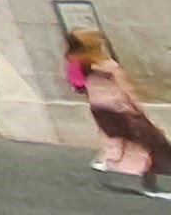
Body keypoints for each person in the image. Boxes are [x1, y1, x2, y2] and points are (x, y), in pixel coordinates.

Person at [67, 28, 171, 190]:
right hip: (120, 109)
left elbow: (78, 87)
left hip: (100, 110)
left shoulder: (78, 66)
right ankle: (145, 173)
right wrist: (140, 110)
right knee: (152, 140)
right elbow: (126, 90)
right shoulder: (109, 66)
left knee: (123, 142)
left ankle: (114, 163)